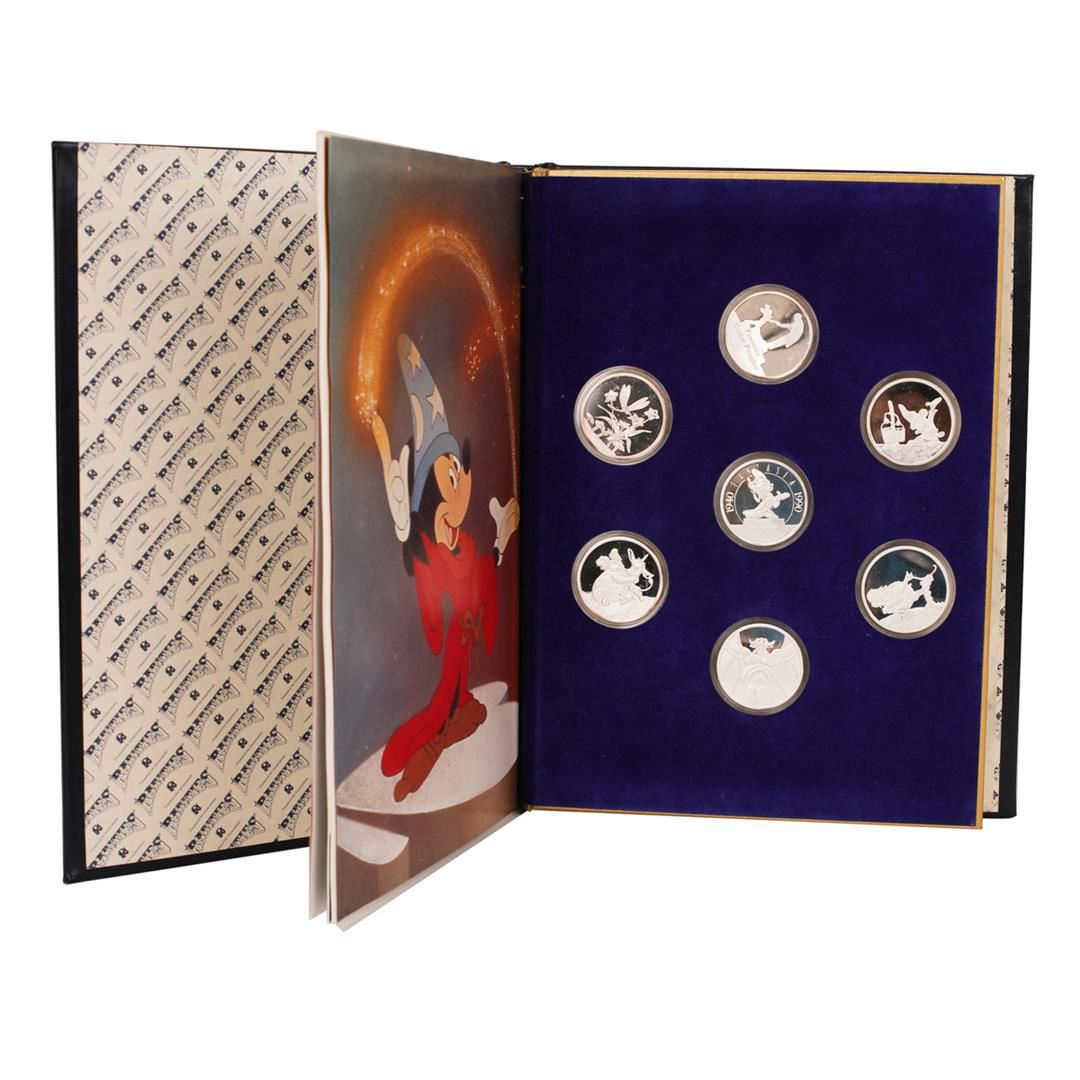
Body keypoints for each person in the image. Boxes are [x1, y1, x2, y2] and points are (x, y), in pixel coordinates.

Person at [371, 334, 519, 801]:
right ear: (431, 493)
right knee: (439, 712)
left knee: (463, 709)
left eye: (461, 473)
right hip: (451, 648)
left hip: (464, 648)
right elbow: (435, 605)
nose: (465, 485)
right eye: (452, 476)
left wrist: (500, 545)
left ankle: (439, 737)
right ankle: (426, 749)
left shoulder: (466, 543)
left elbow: (481, 574)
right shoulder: (428, 554)